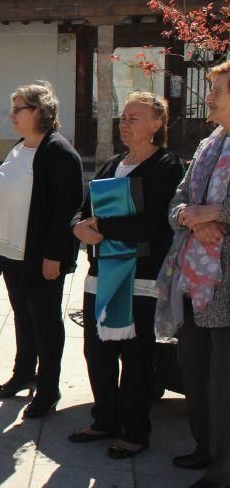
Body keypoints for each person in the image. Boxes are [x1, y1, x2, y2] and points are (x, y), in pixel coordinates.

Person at [69, 92, 183, 458]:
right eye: (124, 116)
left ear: (156, 124)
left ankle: (135, 431)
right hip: (101, 275)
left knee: (136, 359)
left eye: (135, 117)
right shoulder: (111, 165)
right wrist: (77, 228)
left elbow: (155, 222)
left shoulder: (167, 167)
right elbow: (83, 209)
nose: (125, 122)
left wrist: (100, 226)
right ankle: (104, 419)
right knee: (97, 351)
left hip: (141, 276)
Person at [0, 81, 82, 419]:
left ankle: (48, 388)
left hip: (40, 256)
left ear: (39, 111)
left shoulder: (59, 152)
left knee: (46, 322)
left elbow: (67, 209)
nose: (12, 116)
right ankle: (24, 373)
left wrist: (55, 255)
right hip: (11, 251)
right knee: (23, 315)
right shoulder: (21, 146)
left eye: (18, 109)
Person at [155, 61, 230, 488]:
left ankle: (223, 470)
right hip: (191, 280)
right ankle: (206, 447)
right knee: (196, 372)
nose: (210, 95)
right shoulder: (208, 145)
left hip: (224, 284)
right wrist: (191, 215)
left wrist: (217, 211)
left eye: (219, 89)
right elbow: (178, 202)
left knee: (224, 381)